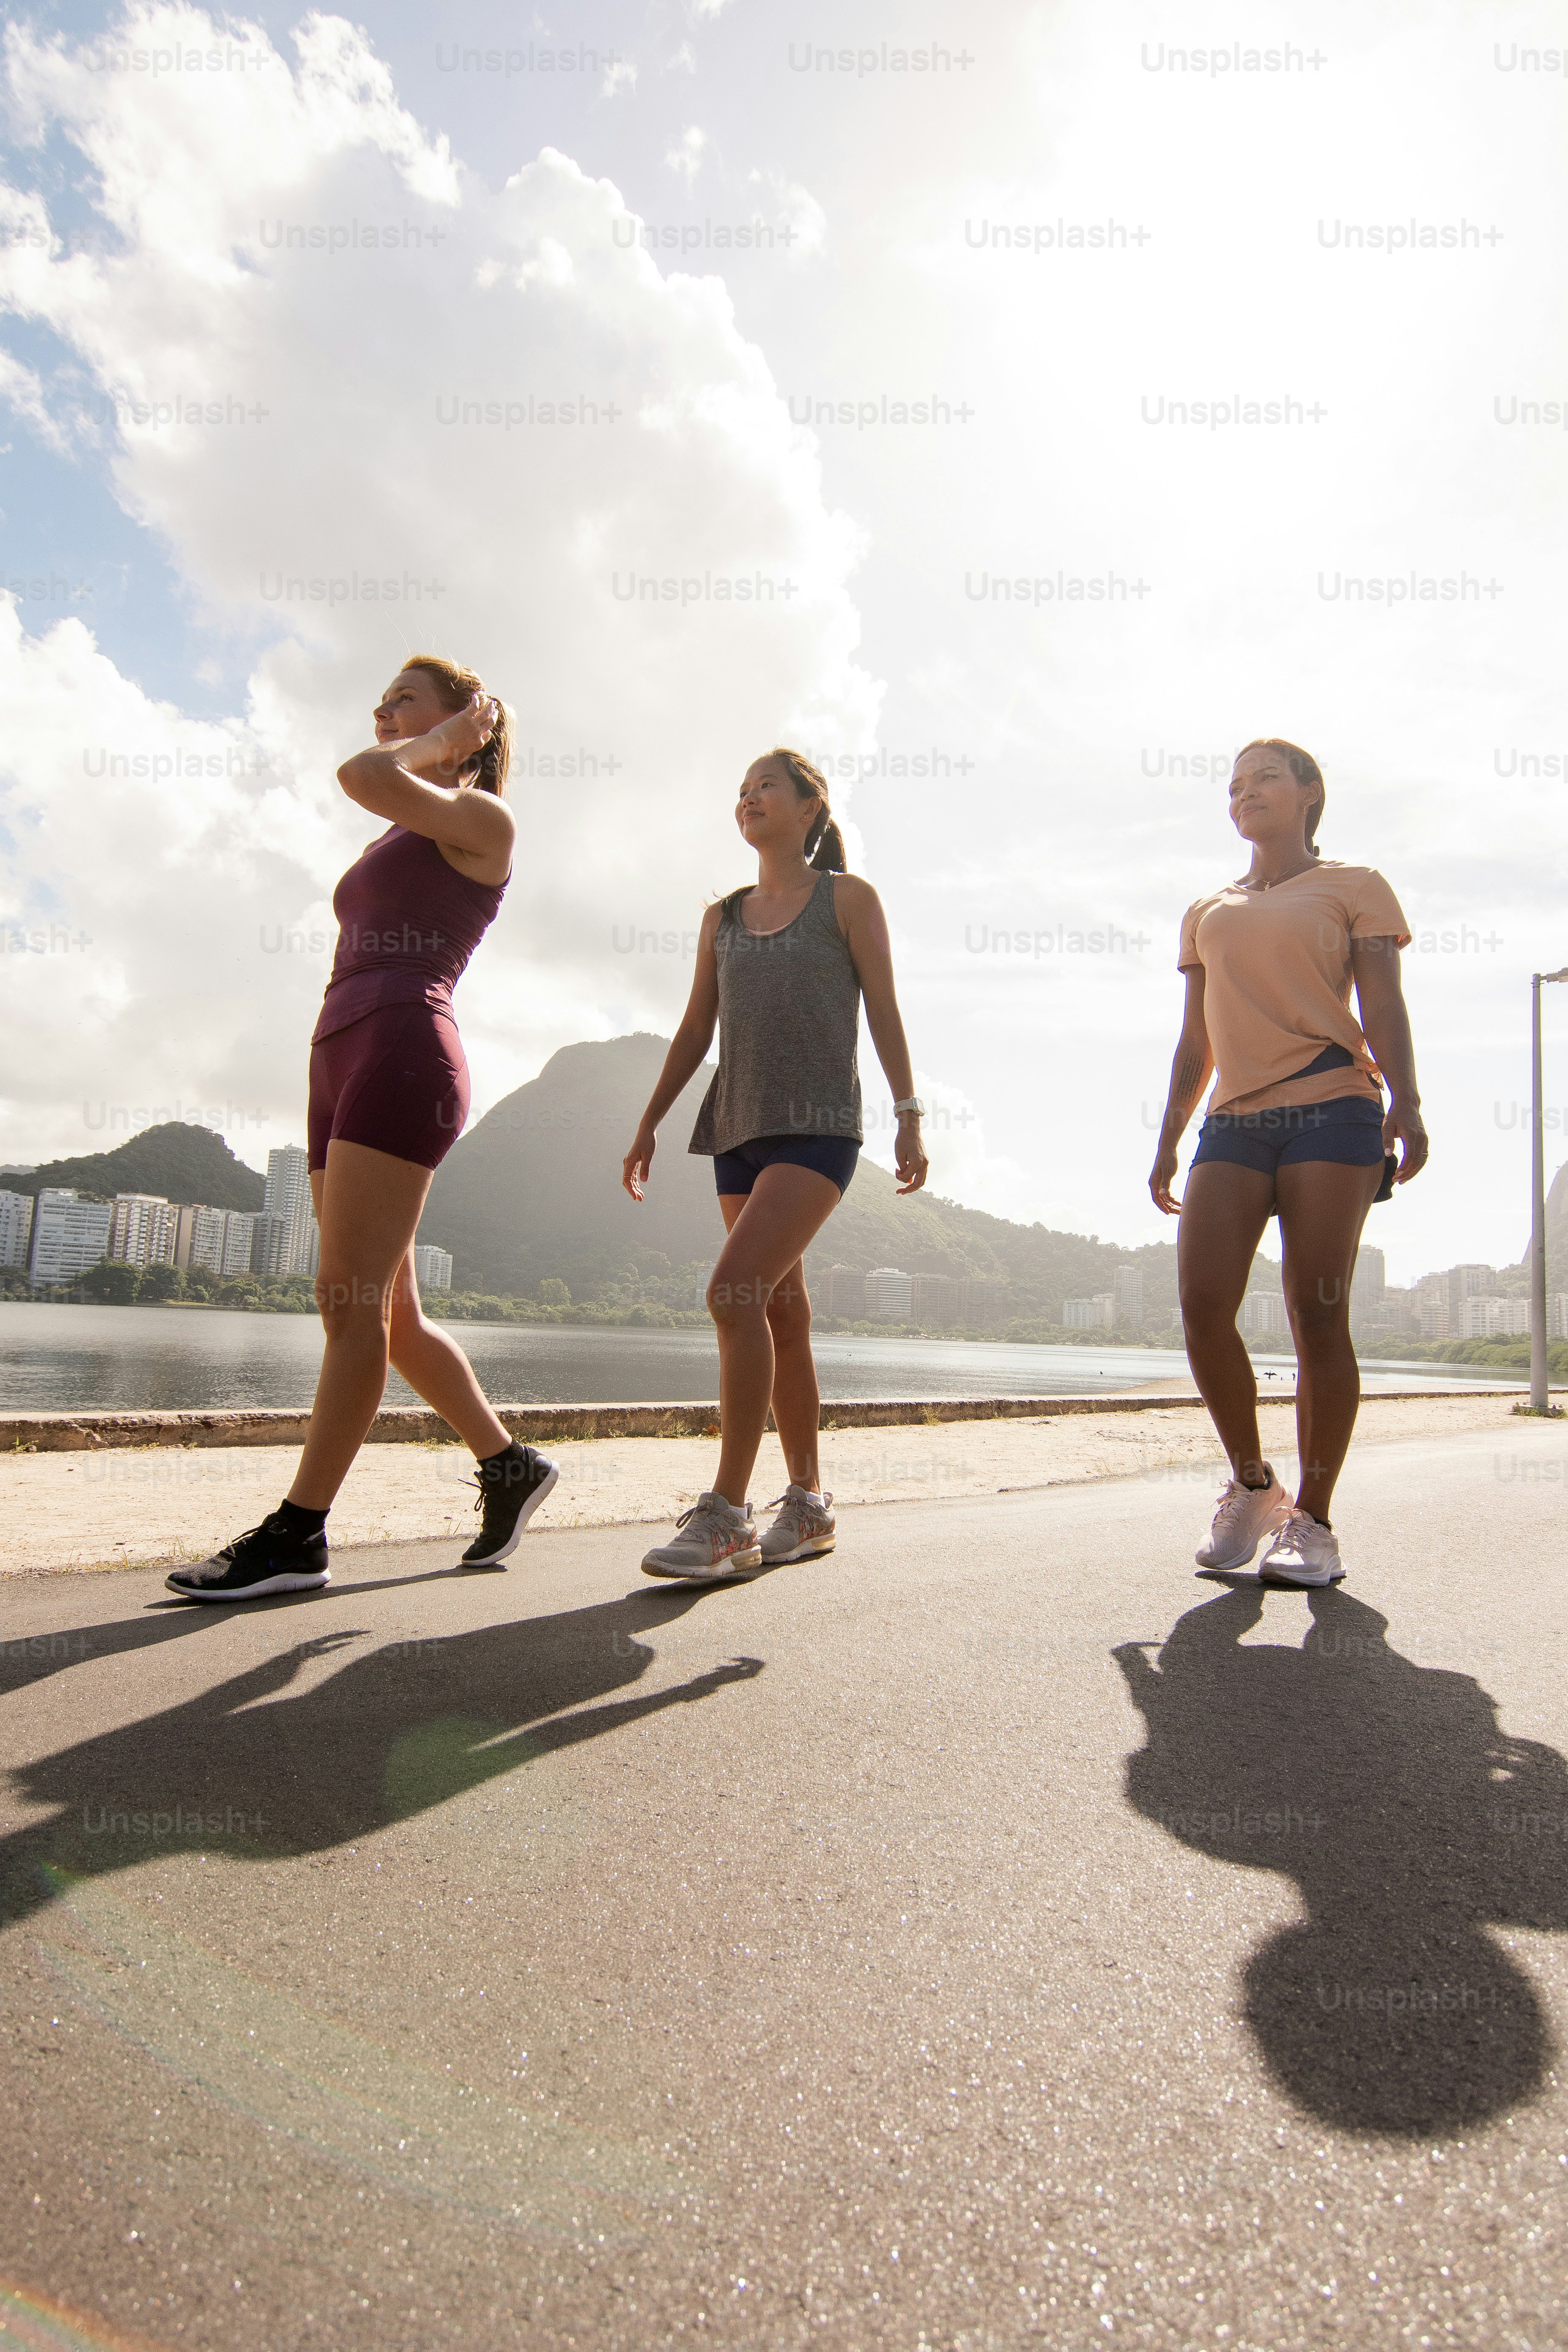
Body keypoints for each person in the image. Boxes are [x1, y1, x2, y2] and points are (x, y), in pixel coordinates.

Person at [168, 658, 558, 1602]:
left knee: (346, 1306)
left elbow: (360, 773)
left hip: (401, 1050)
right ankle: (509, 1466)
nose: (382, 712)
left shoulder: (481, 820)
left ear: (465, 722)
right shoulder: (407, 817)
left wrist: (443, 745)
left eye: (404, 700)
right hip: (339, 1052)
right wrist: (426, 741)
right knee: (391, 1317)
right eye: (381, 701)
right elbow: (373, 785)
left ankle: (298, 1536)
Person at [622, 749, 928, 1579]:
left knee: (732, 1292)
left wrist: (907, 1114)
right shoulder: (720, 916)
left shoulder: (847, 900)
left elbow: (885, 1009)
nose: (749, 798)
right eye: (741, 790)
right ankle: (810, 1500)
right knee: (780, 1314)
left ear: (809, 808)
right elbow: (694, 1030)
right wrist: (649, 1121)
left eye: (766, 787)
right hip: (736, 1128)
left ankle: (726, 1517)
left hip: (818, 1128)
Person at [1148, 738, 1426, 1587]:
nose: (1246, 792)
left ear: (1308, 793)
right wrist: (1167, 1135)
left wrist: (1406, 1103)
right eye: (1234, 784)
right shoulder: (1207, 909)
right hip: (1232, 1121)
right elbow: (1196, 1036)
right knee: (1200, 1305)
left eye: (1266, 775)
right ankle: (1251, 1482)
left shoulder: (1353, 887)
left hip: (1330, 1104)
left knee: (1314, 1312)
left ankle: (1313, 1520)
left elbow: (1379, 999)